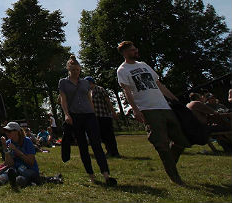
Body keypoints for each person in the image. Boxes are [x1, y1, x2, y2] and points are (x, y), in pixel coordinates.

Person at [117, 41, 190, 185]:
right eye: (132, 50)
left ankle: (170, 163)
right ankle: (174, 176)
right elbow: (127, 91)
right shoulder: (122, 70)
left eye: (135, 48)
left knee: (181, 139)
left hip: (164, 106)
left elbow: (159, 85)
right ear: (125, 53)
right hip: (148, 109)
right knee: (161, 143)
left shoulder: (144, 65)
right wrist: (136, 110)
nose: (135, 51)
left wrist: (175, 100)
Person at [59, 55, 117, 186]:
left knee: (97, 144)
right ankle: (91, 174)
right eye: (73, 70)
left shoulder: (85, 82)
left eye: (78, 70)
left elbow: (89, 99)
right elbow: (63, 99)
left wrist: (94, 113)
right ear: (68, 69)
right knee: (83, 146)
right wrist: (66, 114)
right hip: (75, 116)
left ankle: (106, 174)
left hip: (89, 115)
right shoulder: (63, 82)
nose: (75, 72)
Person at [0, 122, 40, 188]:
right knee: (7, 173)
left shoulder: (27, 141)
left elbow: (31, 162)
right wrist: (5, 147)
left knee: (20, 178)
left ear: (17, 132)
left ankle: (16, 182)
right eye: (6, 131)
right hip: (16, 168)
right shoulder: (8, 142)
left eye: (9, 131)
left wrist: (16, 150)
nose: (6, 133)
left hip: (29, 169)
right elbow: (9, 163)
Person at [84, 76, 121, 157]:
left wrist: (113, 112)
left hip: (104, 115)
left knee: (109, 135)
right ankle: (109, 151)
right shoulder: (88, 92)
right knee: (102, 136)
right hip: (95, 117)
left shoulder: (100, 89)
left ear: (90, 82)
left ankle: (114, 152)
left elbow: (108, 101)